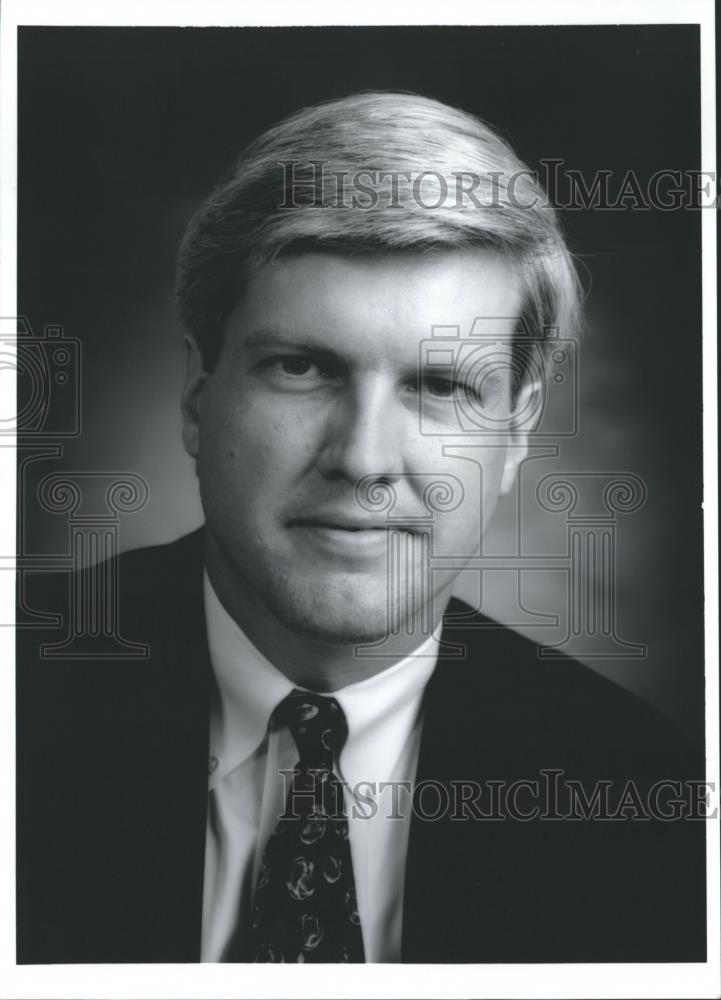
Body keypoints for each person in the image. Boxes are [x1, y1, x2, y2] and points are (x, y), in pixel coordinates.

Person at [17, 92, 705, 965]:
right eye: (300, 367)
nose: (364, 459)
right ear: (199, 396)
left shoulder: (643, 803)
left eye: (441, 386)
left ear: (518, 431)